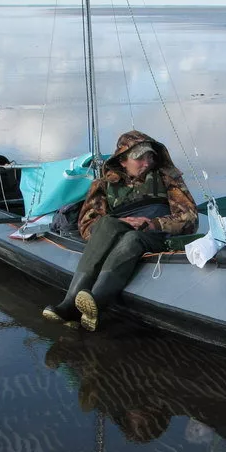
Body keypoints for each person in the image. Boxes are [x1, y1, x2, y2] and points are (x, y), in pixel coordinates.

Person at [42, 130, 198, 331]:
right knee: (108, 224)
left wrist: (154, 224)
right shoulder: (103, 186)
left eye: (149, 156)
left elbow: (190, 218)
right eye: (139, 158)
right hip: (114, 237)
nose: (147, 162)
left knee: (132, 238)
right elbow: (87, 227)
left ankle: (96, 302)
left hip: (155, 238)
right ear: (123, 161)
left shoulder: (167, 179)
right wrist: (122, 222)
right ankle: (70, 303)